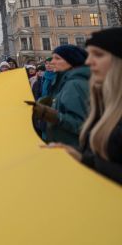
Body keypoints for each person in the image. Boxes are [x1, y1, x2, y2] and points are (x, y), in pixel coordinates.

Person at [47, 28, 122, 185]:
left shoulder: (75, 84)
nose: (88, 61)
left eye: (99, 54)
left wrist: (55, 116)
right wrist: (80, 157)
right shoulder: (103, 98)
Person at [28, 45, 90, 148]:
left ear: (71, 61)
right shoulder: (63, 80)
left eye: (57, 58)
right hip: (65, 146)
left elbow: (82, 125)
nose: (52, 62)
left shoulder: (75, 83)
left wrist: (51, 115)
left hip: (74, 149)